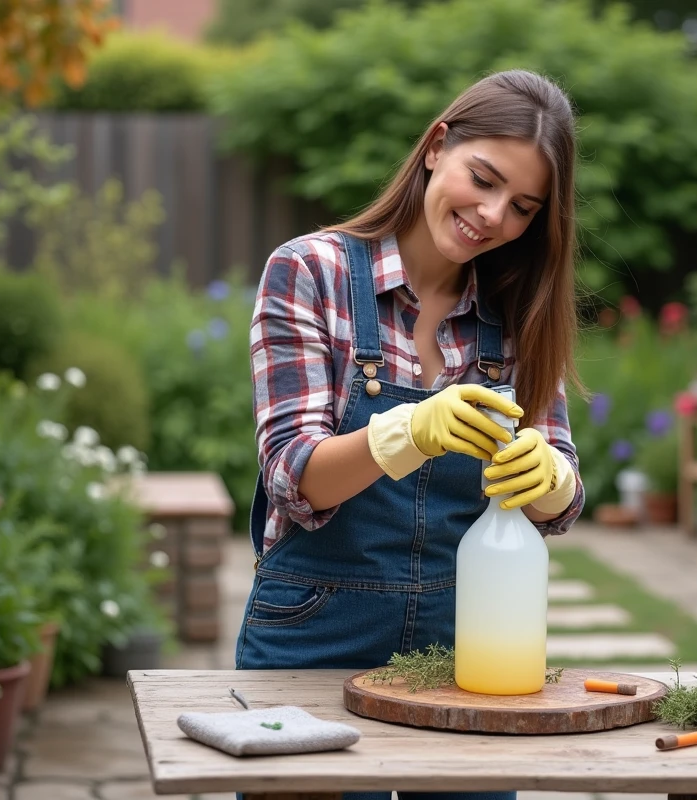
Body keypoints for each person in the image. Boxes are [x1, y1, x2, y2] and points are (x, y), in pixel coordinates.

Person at [237, 69, 585, 800]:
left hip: (471, 649)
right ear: (435, 147)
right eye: (483, 179)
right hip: (315, 636)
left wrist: (551, 480)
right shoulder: (311, 272)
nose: (493, 216)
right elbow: (293, 475)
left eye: (523, 207)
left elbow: (560, 495)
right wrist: (410, 431)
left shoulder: (519, 308)